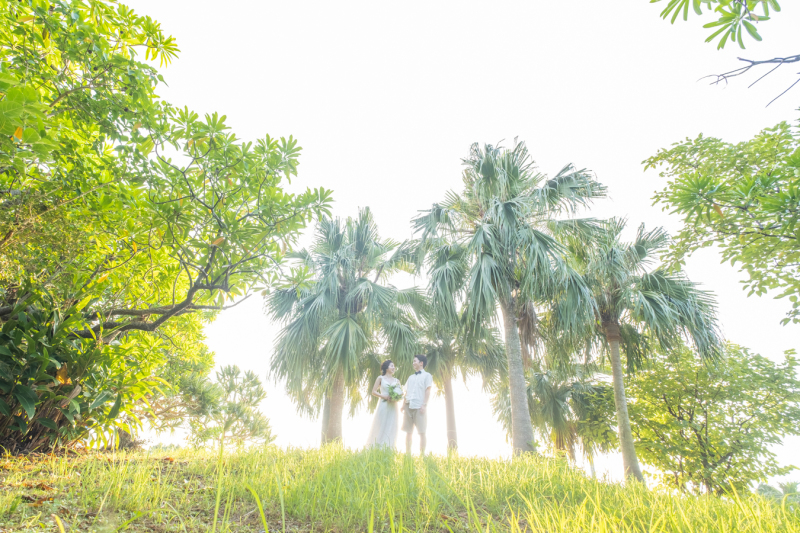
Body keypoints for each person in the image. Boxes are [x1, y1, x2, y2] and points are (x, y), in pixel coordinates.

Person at [365, 359, 402, 448]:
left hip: (393, 406)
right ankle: (376, 446)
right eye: (391, 366)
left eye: (394, 366)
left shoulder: (397, 380)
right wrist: (383, 396)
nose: (393, 368)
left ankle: (389, 447)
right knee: (381, 424)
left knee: (391, 425)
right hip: (383, 404)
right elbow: (373, 391)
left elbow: (400, 392)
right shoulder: (380, 378)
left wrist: (396, 397)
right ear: (386, 367)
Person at [401, 354, 433, 454]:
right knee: (408, 431)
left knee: (422, 432)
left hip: (419, 407)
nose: (413, 363)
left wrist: (424, 405)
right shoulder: (410, 377)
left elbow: (428, 390)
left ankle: (422, 455)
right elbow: (406, 392)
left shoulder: (427, 376)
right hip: (408, 405)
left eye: (415, 361)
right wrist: (403, 405)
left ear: (421, 363)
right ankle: (408, 454)